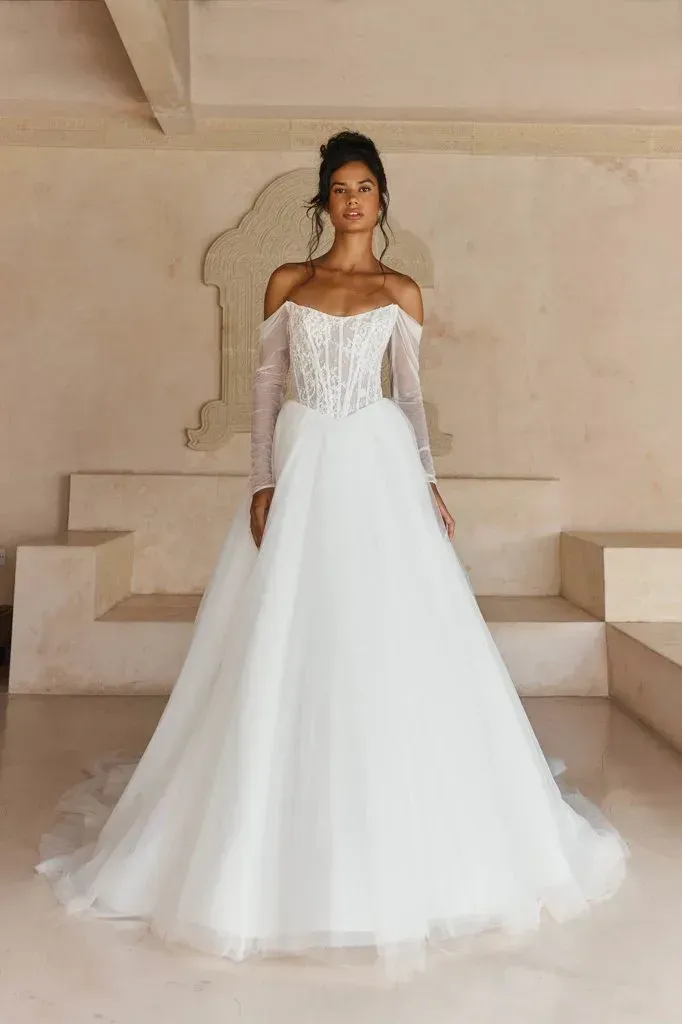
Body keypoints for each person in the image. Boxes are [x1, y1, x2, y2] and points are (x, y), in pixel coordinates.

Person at [37, 131, 627, 978]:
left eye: (365, 187)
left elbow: (414, 399)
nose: (353, 200)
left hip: (379, 468)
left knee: (387, 633)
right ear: (324, 203)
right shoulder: (290, 281)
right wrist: (260, 482)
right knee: (287, 629)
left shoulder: (400, 290)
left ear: (383, 199)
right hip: (306, 460)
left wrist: (426, 483)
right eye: (340, 189)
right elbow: (267, 385)